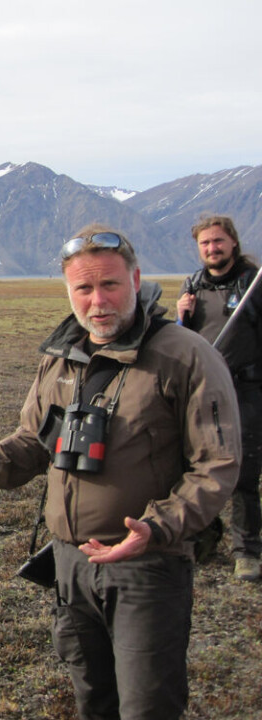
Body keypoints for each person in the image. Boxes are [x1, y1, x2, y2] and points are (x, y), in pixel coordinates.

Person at [0, 224, 240, 720]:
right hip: (70, 566)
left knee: (148, 706)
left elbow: (215, 465)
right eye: (83, 288)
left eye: (109, 284)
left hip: (145, 567)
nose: (97, 301)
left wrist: (156, 528)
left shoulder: (185, 356)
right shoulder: (62, 356)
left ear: (135, 278)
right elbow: (32, 443)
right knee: (93, 701)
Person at [177, 214, 262, 581]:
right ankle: (202, 538)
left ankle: (248, 551)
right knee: (194, 464)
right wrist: (182, 318)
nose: (212, 249)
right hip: (203, 390)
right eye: (205, 243)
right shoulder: (193, 285)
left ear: (232, 242)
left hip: (246, 389)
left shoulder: (254, 284)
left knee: (243, 473)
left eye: (218, 241)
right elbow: (182, 340)